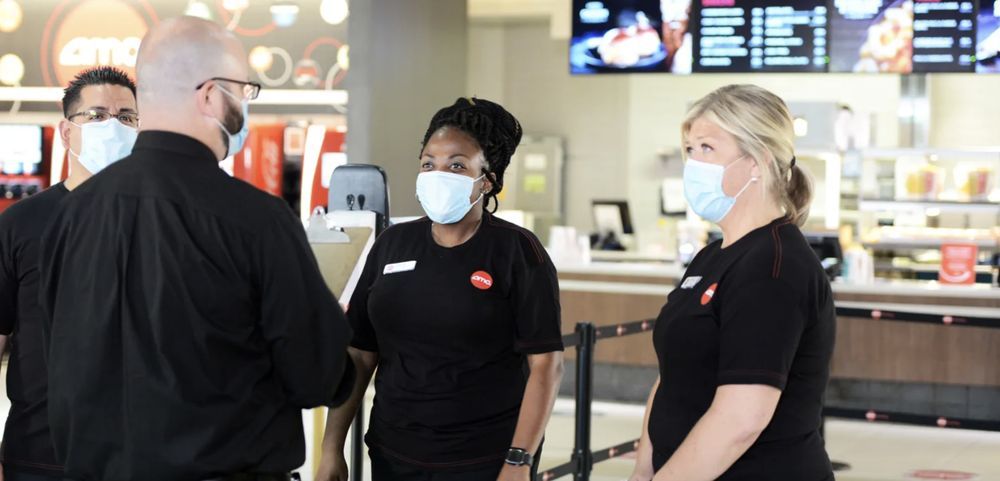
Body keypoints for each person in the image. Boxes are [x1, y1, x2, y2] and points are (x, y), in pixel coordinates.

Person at [38, 17, 354, 481]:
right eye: (243, 91)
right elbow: (319, 376)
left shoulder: (69, 216)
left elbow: (59, 352)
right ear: (210, 96)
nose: (245, 105)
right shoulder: (257, 220)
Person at [316, 98, 564, 481]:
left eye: (457, 165)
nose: (438, 174)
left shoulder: (518, 251)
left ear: (487, 180)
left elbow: (546, 366)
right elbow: (361, 355)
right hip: (393, 453)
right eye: (428, 164)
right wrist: (331, 448)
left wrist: (520, 460)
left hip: (484, 459)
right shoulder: (392, 244)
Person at [628, 84, 836, 481]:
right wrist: (644, 469)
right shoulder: (712, 255)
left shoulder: (774, 266)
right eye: (690, 149)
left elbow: (741, 419)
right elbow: (673, 376)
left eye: (707, 148)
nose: (693, 163)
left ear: (757, 161)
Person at [0, 66, 138, 481]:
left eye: (126, 117)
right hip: (39, 454)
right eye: (96, 116)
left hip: (142, 455)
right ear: (66, 132)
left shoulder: (163, 221)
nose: (113, 127)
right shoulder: (20, 223)